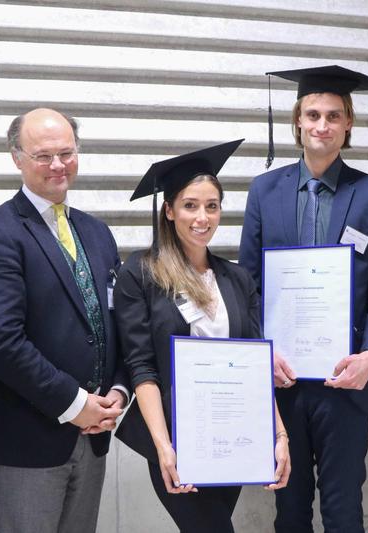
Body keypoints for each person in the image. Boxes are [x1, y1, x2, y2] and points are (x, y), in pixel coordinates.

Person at [239, 65, 368, 532]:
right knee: (288, 509)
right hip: (282, 382)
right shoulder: (264, 192)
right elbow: (247, 289)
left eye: (333, 115)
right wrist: (261, 356)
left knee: (344, 507)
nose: (322, 125)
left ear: (348, 123)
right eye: (313, 114)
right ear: (298, 121)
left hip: (343, 382)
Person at [0, 108, 129, 533]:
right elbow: (1, 341)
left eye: (66, 152)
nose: (57, 165)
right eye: (43, 155)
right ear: (16, 157)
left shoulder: (97, 232)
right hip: (26, 438)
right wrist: (76, 405)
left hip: (93, 435)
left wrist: (117, 391)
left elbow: (113, 322)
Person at [114, 139, 291, 532]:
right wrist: (164, 448)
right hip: (177, 440)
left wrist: (279, 434)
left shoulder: (236, 278)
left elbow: (255, 365)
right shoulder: (141, 275)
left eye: (212, 206)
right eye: (191, 205)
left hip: (232, 436)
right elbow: (142, 368)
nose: (203, 217)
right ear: (169, 210)